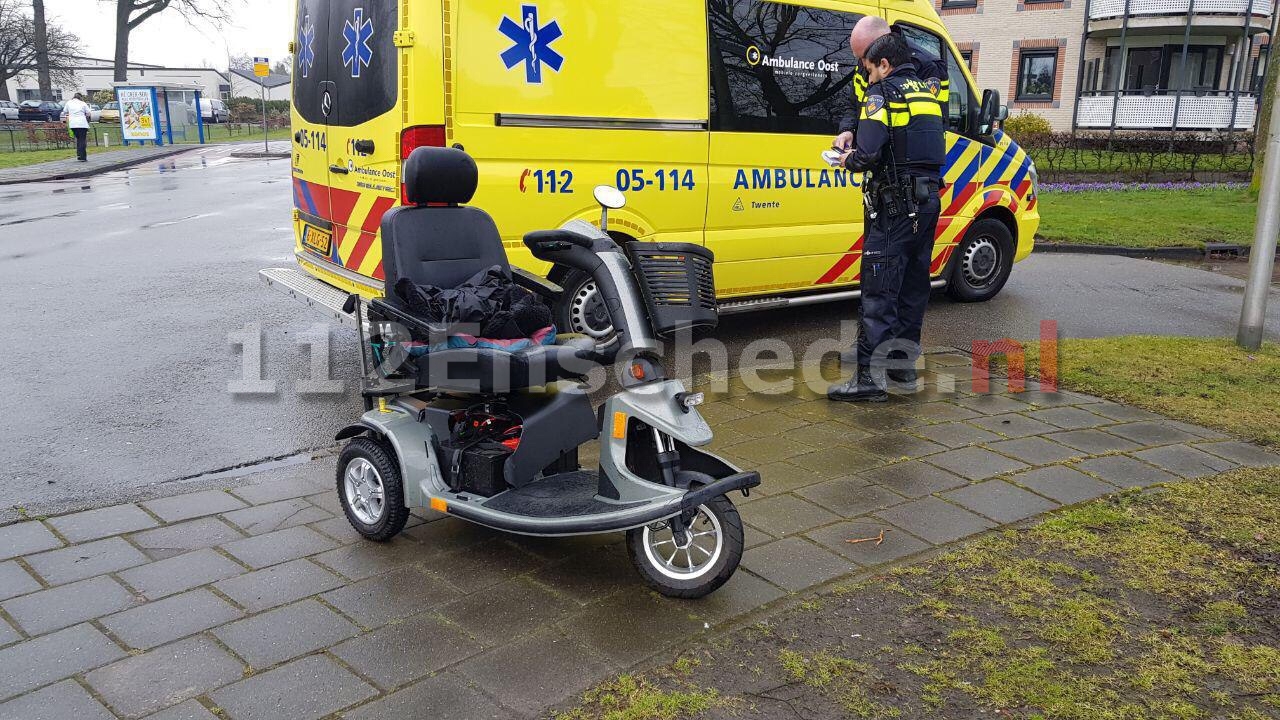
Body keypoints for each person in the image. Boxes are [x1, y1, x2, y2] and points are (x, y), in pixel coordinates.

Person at [828, 18, 946, 403]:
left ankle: (868, 380)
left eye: (868, 66)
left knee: (879, 292)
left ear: (883, 63)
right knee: (913, 288)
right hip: (928, 203)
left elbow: (869, 153)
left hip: (893, 205)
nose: (867, 73)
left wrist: (846, 160)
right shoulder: (927, 93)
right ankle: (902, 368)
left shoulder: (883, 93)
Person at [64, 93, 91, 162]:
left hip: (73, 124)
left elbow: (65, 111)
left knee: (78, 139)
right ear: (80, 97)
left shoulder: (69, 103)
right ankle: (83, 156)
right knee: (82, 139)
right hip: (82, 124)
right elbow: (88, 113)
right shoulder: (83, 103)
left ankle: (79, 154)